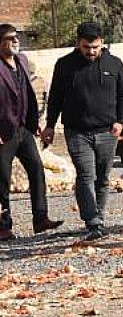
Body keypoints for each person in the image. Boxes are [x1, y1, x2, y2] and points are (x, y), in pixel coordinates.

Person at [43, 22, 123, 241]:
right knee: (85, 175)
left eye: (95, 47)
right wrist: (50, 125)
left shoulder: (114, 63)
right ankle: (91, 221)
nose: (91, 52)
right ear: (77, 44)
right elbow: (55, 97)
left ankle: (98, 219)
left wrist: (121, 121)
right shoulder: (64, 65)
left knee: (102, 178)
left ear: (102, 43)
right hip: (77, 132)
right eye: (86, 47)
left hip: (108, 132)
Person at [0, 24, 63, 241]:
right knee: (2, 180)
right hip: (3, 132)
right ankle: (3, 226)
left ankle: (40, 218)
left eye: (16, 37)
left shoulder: (22, 61)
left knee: (37, 170)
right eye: (10, 38)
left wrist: (34, 121)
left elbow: (27, 92)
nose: (16, 41)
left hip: (24, 129)